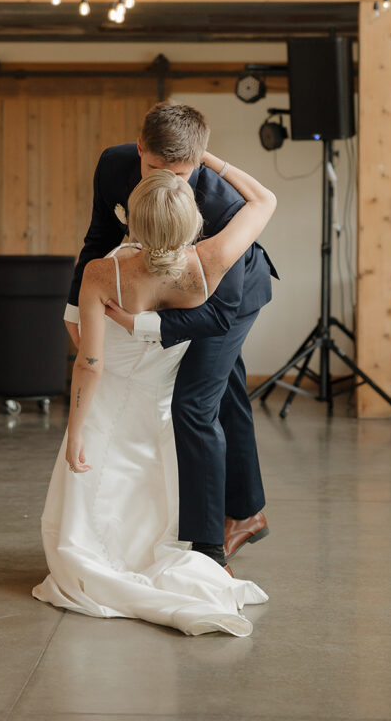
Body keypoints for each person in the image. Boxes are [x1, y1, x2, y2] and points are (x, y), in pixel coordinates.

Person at [33, 152, 276, 635]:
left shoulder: (104, 274)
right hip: (159, 405)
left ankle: (129, 551)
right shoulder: (211, 261)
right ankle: (208, 542)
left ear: (130, 214)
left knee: (114, 467)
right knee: (186, 432)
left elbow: (90, 364)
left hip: (110, 403)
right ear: (194, 220)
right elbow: (264, 199)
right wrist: (206, 157)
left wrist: (76, 430)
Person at [62, 104, 278, 570]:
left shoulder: (223, 207)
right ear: (139, 149)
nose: (165, 182)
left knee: (193, 404)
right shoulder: (113, 164)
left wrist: (140, 325)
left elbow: (218, 314)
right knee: (228, 392)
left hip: (230, 299)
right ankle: (248, 512)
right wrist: (74, 307)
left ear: (197, 162)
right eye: (155, 169)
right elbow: (100, 233)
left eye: (179, 173)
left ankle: (206, 550)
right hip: (184, 286)